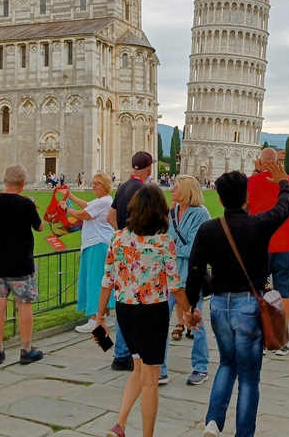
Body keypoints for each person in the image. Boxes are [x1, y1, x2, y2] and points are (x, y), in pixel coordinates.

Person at [186, 163, 289, 437]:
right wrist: (284, 183)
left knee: (226, 363)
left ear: (219, 199)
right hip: (248, 305)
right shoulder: (258, 224)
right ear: (247, 197)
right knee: (248, 377)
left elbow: (196, 270)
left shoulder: (209, 229)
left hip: (220, 305)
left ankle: (213, 421)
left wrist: (190, 306)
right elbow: (284, 207)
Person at [94, 184, 200, 437]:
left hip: (126, 310)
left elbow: (107, 280)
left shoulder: (118, 238)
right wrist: (189, 313)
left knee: (139, 368)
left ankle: (119, 423)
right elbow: (175, 286)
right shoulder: (164, 242)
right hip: (152, 312)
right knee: (151, 381)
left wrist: (99, 317)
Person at [0, 163, 44, 365]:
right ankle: (26, 349)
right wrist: (33, 210)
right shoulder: (25, 204)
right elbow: (40, 227)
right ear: (23, 183)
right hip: (21, 265)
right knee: (24, 304)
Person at [106, 151, 156, 371]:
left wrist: (122, 236)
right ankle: (131, 352)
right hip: (140, 252)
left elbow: (110, 216)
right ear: (149, 168)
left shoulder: (123, 186)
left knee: (123, 297)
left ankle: (121, 353)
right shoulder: (144, 190)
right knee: (139, 300)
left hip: (121, 248)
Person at [161, 175, 211, 385]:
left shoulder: (200, 214)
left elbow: (193, 248)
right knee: (161, 322)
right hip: (169, 277)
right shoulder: (172, 213)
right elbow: (165, 241)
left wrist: (169, 249)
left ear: (188, 191)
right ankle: (160, 368)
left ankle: (201, 367)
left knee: (195, 320)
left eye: (176, 186)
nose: (172, 189)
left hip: (190, 277)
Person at [248, 147, 289, 356]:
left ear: (260, 162)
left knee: (258, 291)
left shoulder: (252, 182)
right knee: (284, 291)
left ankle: (261, 334)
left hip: (260, 244)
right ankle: (282, 339)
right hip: (285, 243)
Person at [58, 172, 115, 332]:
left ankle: (95, 318)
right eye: (93, 182)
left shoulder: (103, 202)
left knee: (94, 281)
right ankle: (106, 315)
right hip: (99, 243)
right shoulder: (103, 201)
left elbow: (82, 214)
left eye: (98, 183)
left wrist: (66, 208)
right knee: (102, 280)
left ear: (105, 186)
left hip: (97, 243)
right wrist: (70, 195)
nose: (94, 185)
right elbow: (86, 205)